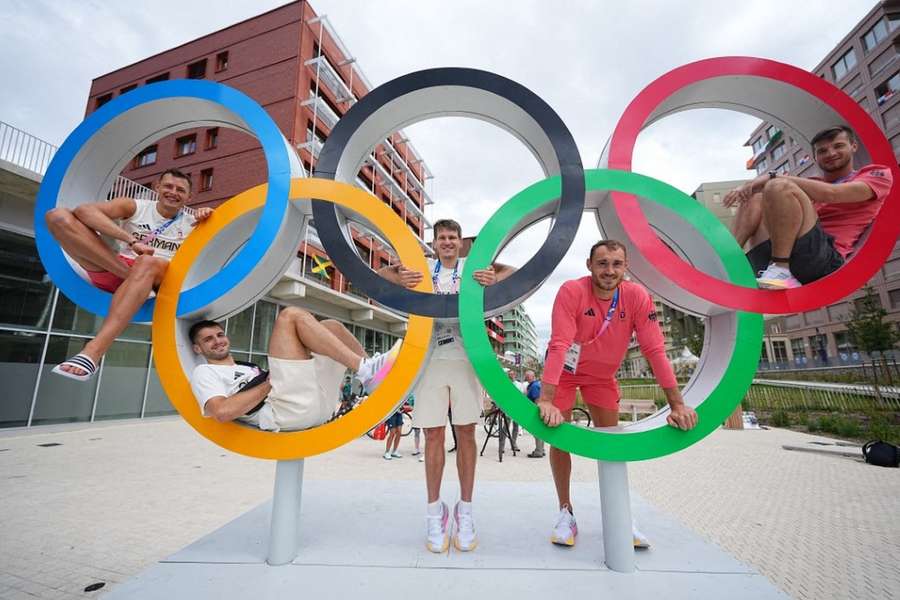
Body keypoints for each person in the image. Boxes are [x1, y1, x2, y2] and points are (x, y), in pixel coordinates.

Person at [536, 240, 698, 549]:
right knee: (558, 437)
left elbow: (654, 349)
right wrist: (545, 399)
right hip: (566, 375)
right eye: (602, 263)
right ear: (589, 265)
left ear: (626, 266)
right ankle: (565, 512)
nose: (609, 270)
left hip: (601, 377)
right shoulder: (572, 291)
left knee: (611, 443)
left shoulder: (636, 296)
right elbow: (558, 344)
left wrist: (677, 405)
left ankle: (621, 515)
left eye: (616, 264)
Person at [379, 218, 513, 553]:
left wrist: (493, 277)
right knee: (433, 434)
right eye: (442, 238)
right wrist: (398, 273)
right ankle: (434, 510)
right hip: (430, 355)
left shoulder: (472, 266)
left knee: (466, 431)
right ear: (434, 242)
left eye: (453, 237)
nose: (449, 242)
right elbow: (378, 278)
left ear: (460, 242)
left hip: (466, 355)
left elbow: (515, 272)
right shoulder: (422, 266)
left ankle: (464, 511)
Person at [45, 169, 214, 381]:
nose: (173, 192)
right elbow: (84, 211)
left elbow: (216, 246)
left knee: (147, 262)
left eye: (181, 190)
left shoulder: (192, 223)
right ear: (157, 187)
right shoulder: (135, 206)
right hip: (120, 268)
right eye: (168, 186)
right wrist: (131, 241)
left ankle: (93, 351)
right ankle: (131, 277)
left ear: (189, 198)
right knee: (57, 217)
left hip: (159, 278)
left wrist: (209, 216)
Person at [723, 125, 893, 289]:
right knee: (755, 196)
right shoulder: (813, 184)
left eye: (838, 146)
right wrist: (746, 188)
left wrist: (772, 176)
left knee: (779, 186)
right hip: (784, 250)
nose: (831, 153)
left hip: (822, 259)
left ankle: (781, 269)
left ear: (853, 146)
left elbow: (832, 194)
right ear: (815, 157)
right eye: (822, 151)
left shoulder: (875, 174)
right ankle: (727, 259)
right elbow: (761, 190)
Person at [188, 307, 396, 431]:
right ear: (198, 349)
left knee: (332, 326)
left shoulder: (246, 367)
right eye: (208, 339)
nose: (217, 341)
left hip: (318, 406)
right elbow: (222, 412)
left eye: (220, 334)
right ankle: (366, 369)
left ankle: (374, 376)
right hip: (286, 412)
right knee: (289, 316)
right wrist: (270, 383)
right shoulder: (205, 372)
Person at [523, 370, 545, 458]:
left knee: (537, 432)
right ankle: (541, 450)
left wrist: (536, 414)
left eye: (528, 376)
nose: (527, 377)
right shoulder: (534, 385)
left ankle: (538, 451)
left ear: (533, 376)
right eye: (526, 376)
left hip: (535, 412)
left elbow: (537, 400)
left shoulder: (535, 386)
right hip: (537, 411)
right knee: (540, 432)